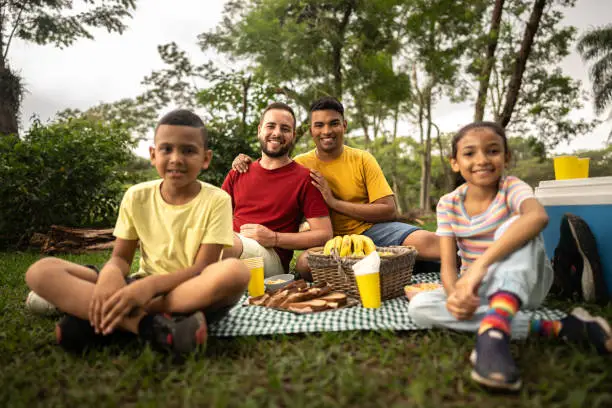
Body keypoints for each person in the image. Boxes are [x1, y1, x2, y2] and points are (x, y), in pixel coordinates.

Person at [25, 109, 250, 354]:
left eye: (188, 150)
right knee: (40, 271)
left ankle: (97, 319)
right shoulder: (136, 195)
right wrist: (111, 274)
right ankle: (149, 326)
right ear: (153, 155)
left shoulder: (217, 200)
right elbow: (121, 258)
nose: (176, 158)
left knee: (236, 272)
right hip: (137, 285)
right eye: (166, 149)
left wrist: (149, 288)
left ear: (205, 158)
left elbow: (201, 269)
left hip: (188, 291)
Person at [407, 121, 612, 391]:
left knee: (514, 226)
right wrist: (455, 293)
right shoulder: (448, 203)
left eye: (492, 151)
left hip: (526, 284)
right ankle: (560, 328)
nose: (481, 160)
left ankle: (492, 339)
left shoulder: (512, 188)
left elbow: (538, 217)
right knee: (419, 307)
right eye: (469, 153)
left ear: (506, 157)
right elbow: (447, 265)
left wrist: (480, 266)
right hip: (483, 290)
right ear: (455, 162)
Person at [233, 96, 440, 279]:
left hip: (371, 231)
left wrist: (334, 202)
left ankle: (462, 265)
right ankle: (385, 270)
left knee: (428, 241)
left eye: (334, 124)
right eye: (319, 125)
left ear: (344, 126)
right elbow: (273, 168)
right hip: (329, 241)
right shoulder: (300, 164)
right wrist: (245, 162)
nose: (326, 131)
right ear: (311, 130)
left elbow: (389, 210)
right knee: (306, 266)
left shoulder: (362, 159)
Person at [221, 102, 332, 277]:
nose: (277, 133)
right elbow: (215, 219)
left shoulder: (305, 179)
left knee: (220, 244)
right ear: (260, 130)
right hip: (233, 249)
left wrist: (274, 238)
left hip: (272, 260)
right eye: (271, 126)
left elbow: (324, 234)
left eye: (285, 129)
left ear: (293, 135)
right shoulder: (239, 172)